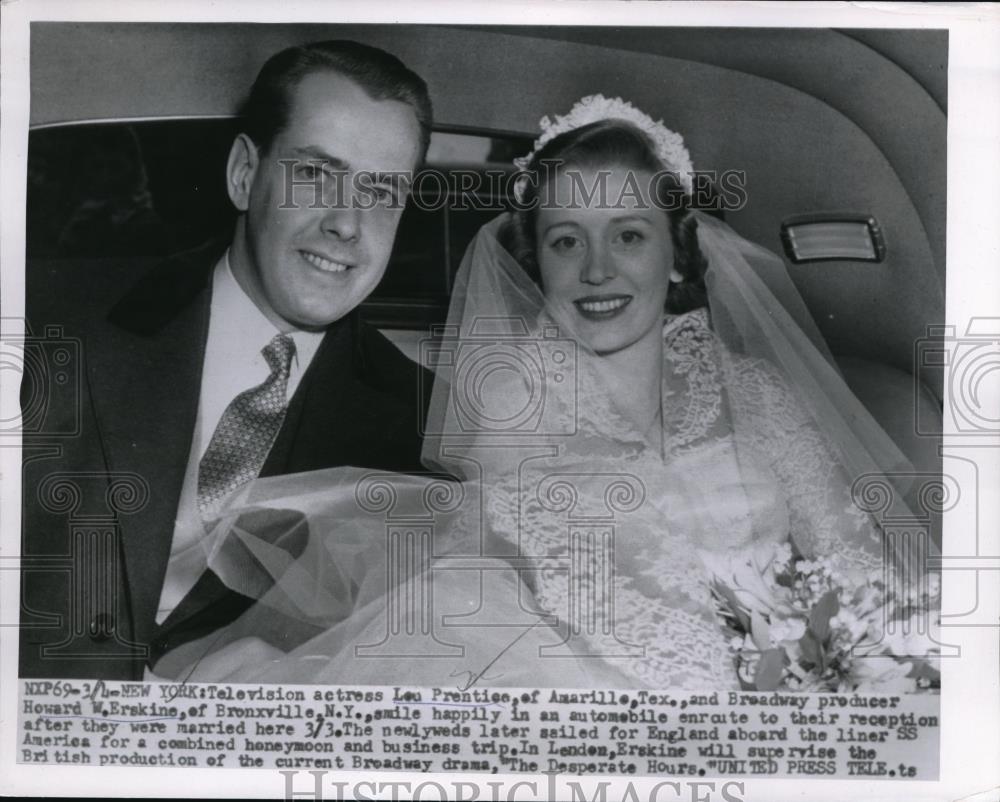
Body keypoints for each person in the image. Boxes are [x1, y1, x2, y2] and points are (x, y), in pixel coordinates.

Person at [149, 96, 921, 690]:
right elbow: (520, 586)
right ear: (536, 267)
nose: (596, 270)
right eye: (565, 240)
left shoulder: (757, 390)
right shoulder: (513, 397)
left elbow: (854, 562)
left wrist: (853, 664)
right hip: (579, 679)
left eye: (628, 235)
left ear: (678, 258)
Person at [19, 40, 435, 680]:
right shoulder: (42, 316)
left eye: (381, 191)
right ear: (245, 175)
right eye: (316, 174)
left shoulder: (426, 426)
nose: (348, 223)